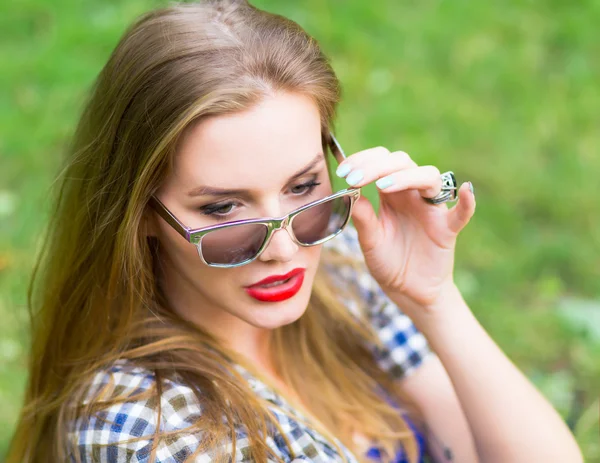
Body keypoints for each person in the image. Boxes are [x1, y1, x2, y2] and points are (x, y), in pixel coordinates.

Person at [7, 1, 582, 462]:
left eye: (305, 187)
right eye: (225, 208)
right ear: (141, 215)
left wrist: (434, 300)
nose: (284, 249)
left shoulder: (345, 266)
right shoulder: (143, 426)